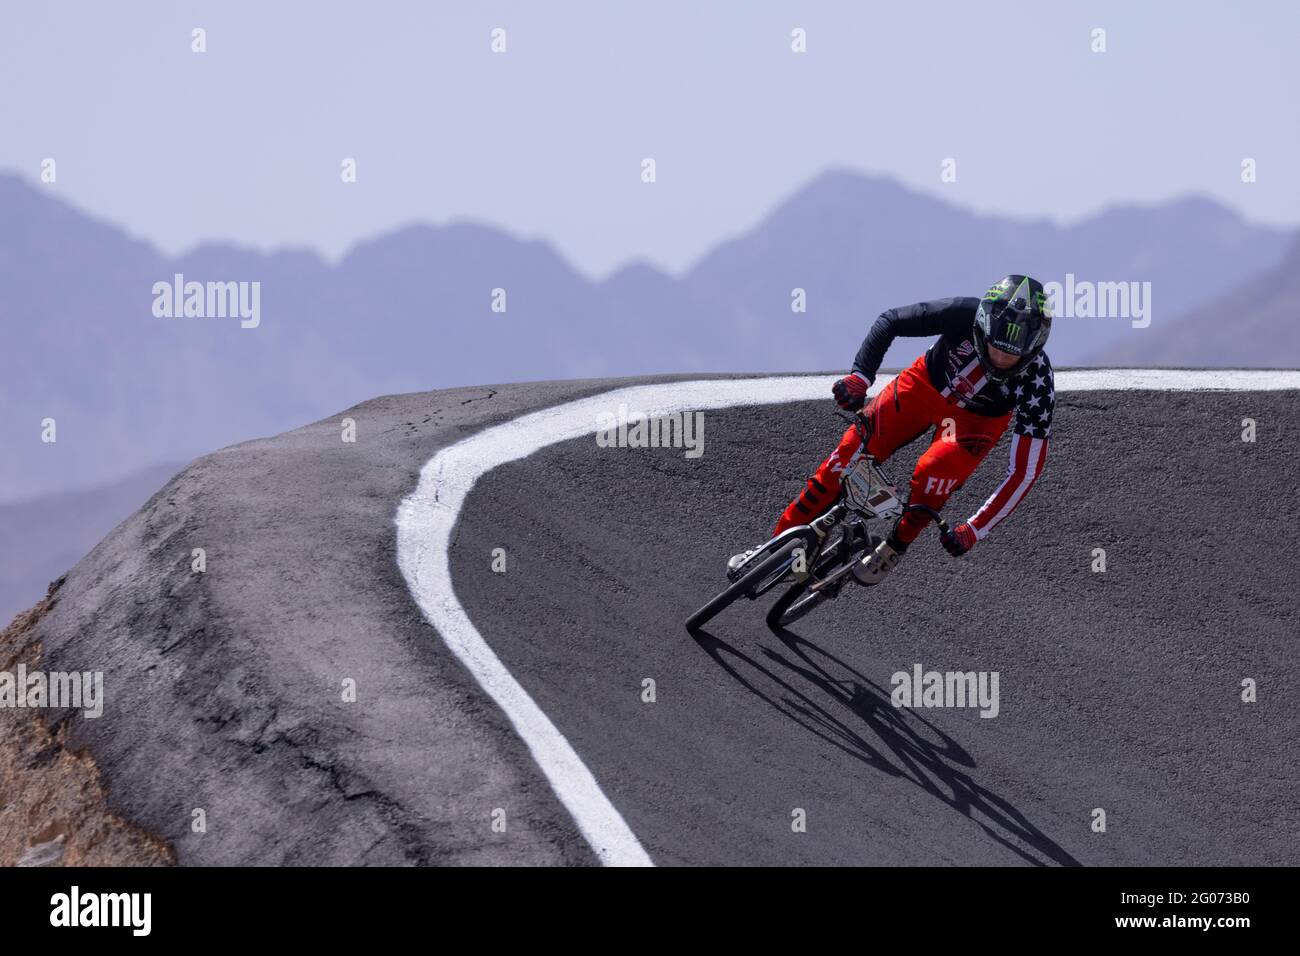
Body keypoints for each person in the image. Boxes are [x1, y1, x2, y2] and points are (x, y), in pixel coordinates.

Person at [729, 274, 1055, 585]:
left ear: (1034, 348)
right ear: (982, 323)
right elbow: (891, 320)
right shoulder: (962, 313)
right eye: (995, 345)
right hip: (923, 387)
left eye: (1012, 354)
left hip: (976, 423)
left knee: (934, 473)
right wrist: (860, 377)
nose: (999, 357)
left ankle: (894, 547)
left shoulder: (1039, 384)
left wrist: (974, 529)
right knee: (842, 461)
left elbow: (1024, 471)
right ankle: (773, 547)